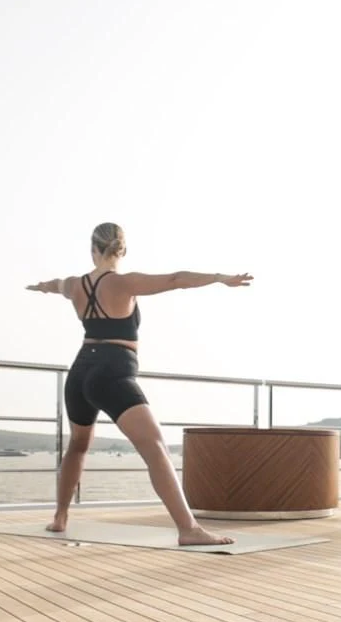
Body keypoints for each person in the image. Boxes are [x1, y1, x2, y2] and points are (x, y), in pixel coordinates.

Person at [26, 222, 253, 546]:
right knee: (156, 448)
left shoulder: (75, 285)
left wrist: (39, 286)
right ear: (123, 250)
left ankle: (60, 517)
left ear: (93, 249)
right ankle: (188, 530)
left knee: (77, 446)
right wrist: (219, 278)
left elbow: (56, 284)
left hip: (79, 372)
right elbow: (176, 279)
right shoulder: (123, 283)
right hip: (112, 372)